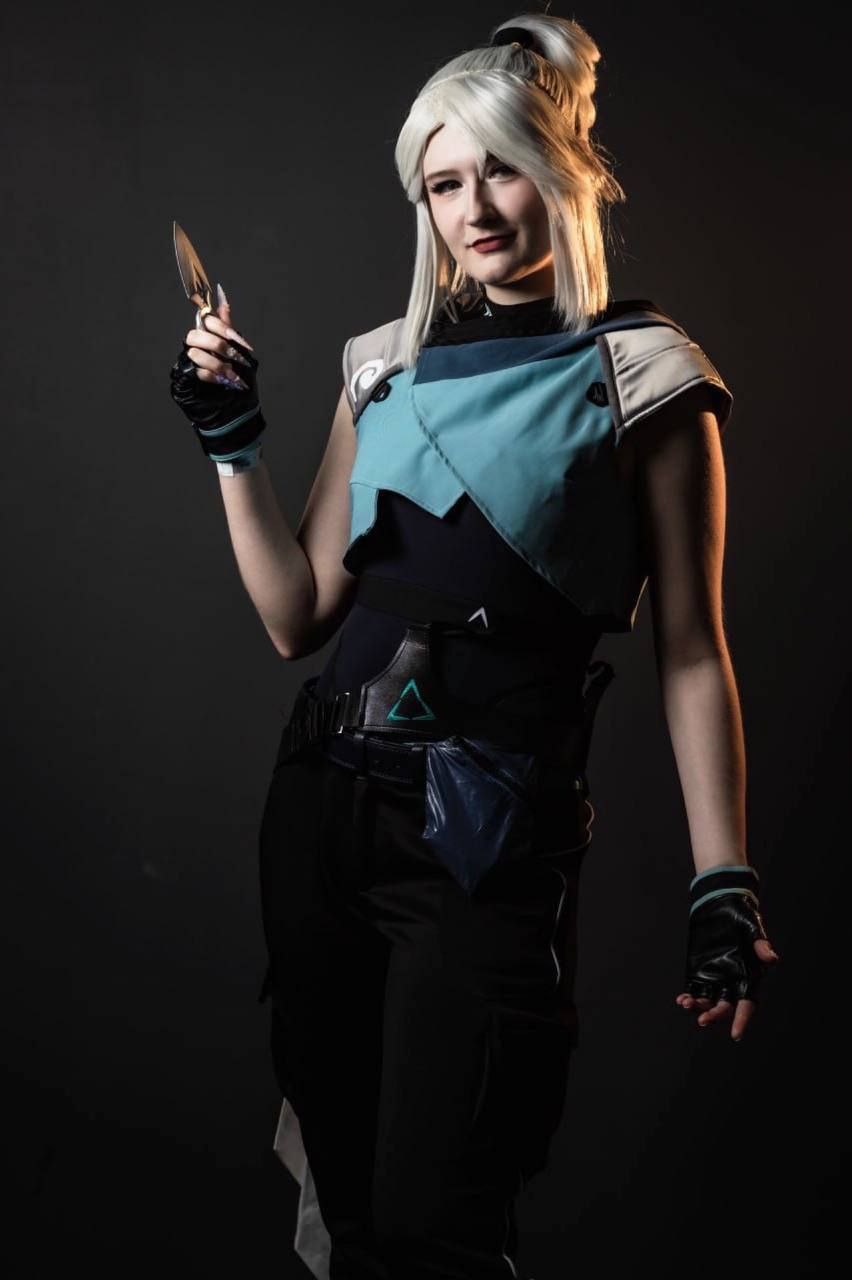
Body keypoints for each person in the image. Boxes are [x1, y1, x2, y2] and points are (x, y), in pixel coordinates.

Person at [169, 13, 780, 1280]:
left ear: (562, 169)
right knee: (350, 1210)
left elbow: (691, 648)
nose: (475, 208)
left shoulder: (647, 377)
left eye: (500, 169)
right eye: (444, 183)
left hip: (483, 831)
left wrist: (722, 880)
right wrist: (232, 441)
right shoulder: (383, 366)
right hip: (321, 815)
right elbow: (295, 614)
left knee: (436, 1221)